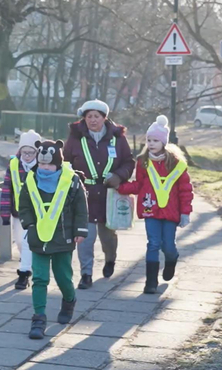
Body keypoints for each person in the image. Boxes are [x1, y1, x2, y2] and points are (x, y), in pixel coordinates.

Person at [18, 139, 88, 338]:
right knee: (40, 278)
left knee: (63, 277)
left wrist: (80, 230)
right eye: (41, 164)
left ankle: (69, 300)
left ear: (57, 163)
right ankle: (38, 318)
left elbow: (80, 208)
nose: (45, 168)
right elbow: (24, 205)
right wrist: (29, 225)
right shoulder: (31, 180)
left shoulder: (72, 180)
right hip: (38, 238)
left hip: (63, 238)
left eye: (49, 164)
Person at [63, 100, 135, 289]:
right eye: (89, 117)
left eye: (96, 116)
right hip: (83, 196)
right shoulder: (75, 137)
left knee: (107, 236)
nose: (93, 120)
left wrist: (119, 176)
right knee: (85, 236)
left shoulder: (117, 138)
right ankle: (86, 274)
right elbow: (65, 162)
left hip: (108, 195)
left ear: (104, 118)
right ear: (84, 118)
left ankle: (110, 259)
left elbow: (128, 162)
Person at [118, 116, 193, 294]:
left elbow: (185, 190)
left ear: (164, 142)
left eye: (155, 140)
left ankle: (171, 260)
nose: (151, 144)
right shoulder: (143, 162)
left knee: (168, 245)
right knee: (153, 243)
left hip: (171, 212)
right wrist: (121, 187)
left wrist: (185, 212)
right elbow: (139, 184)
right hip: (150, 209)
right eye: (149, 140)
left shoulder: (176, 164)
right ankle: (150, 282)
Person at [1, 129, 42, 290]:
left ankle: (24, 274)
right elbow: (6, 190)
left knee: (26, 243)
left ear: (37, 151)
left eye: (31, 152)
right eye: (24, 152)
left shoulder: (43, 166)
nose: (27, 155)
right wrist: (4, 214)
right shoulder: (13, 165)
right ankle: (27, 263)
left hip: (36, 213)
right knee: (19, 242)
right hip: (18, 213)